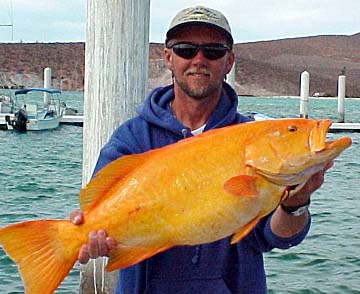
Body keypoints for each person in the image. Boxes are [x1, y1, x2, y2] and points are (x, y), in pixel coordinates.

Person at [70, 6, 331, 293]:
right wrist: (90, 236)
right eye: (185, 50)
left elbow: (275, 237)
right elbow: (96, 211)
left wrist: (296, 202)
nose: (198, 60)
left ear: (229, 61)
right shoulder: (131, 138)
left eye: (213, 51)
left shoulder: (249, 138)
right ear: (168, 58)